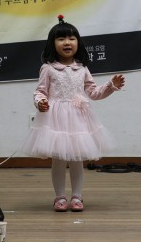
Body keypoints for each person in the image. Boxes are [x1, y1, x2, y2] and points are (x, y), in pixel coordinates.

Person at [20, 15, 125, 212]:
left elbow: (93, 93)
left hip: (78, 118)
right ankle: (60, 197)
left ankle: (77, 196)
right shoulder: (48, 68)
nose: (67, 42)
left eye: (71, 38)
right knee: (59, 160)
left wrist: (111, 86)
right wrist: (40, 102)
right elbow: (40, 91)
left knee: (77, 159)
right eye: (61, 39)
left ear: (78, 42)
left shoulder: (82, 68)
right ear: (52, 44)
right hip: (56, 119)